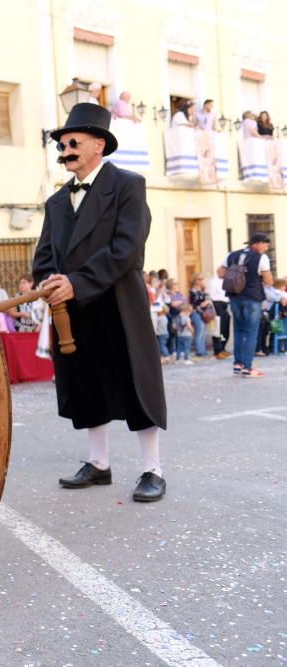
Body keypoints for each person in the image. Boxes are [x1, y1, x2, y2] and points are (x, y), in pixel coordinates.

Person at [32, 102, 167, 502]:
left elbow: (127, 248)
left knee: (134, 382)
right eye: (62, 142)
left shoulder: (128, 185)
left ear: (99, 145)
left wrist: (79, 281)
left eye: (74, 140)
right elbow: (43, 256)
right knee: (85, 383)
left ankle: (152, 469)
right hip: (73, 312)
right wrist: (48, 284)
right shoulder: (56, 201)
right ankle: (98, 463)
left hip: (118, 304)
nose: (66, 147)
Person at [218, 233, 274, 377]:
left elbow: (220, 273)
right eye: (266, 244)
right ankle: (247, 367)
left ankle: (238, 364)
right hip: (252, 298)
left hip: (235, 297)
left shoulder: (231, 255)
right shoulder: (261, 258)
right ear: (258, 243)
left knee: (238, 330)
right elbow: (268, 281)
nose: (267, 248)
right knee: (251, 332)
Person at [205, 272, 230, 359]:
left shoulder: (227, 280)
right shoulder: (214, 282)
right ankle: (218, 350)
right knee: (218, 328)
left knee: (225, 329)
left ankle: (223, 348)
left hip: (226, 304)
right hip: (217, 304)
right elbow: (211, 295)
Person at [188, 273, 211, 357]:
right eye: (199, 279)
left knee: (204, 331)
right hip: (196, 313)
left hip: (205, 313)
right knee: (199, 332)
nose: (201, 281)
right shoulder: (193, 291)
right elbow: (193, 303)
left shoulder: (203, 290)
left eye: (202, 279)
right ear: (195, 280)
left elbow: (208, 298)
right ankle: (199, 351)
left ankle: (203, 350)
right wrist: (202, 304)